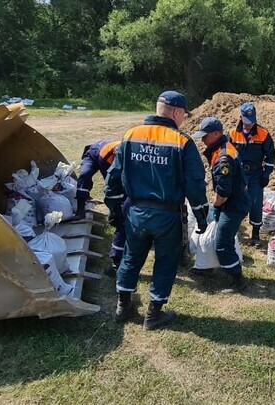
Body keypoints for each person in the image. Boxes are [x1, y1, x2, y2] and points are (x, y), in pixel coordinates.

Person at [105, 90, 209, 330]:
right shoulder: (182, 142)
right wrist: (202, 216)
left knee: (131, 257)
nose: (183, 119)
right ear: (175, 112)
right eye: (183, 114)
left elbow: (114, 177)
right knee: (166, 262)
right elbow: (194, 183)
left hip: (136, 213)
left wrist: (114, 208)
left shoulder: (131, 135)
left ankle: (122, 305)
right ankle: (153, 314)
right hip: (167, 215)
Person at [191, 117, 250, 293]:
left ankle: (237, 279)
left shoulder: (223, 158)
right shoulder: (222, 150)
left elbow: (223, 192)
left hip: (233, 206)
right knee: (220, 237)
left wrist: (216, 207)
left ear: (217, 134)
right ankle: (208, 266)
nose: (202, 140)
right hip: (234, 202)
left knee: (222, 242)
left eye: (205, 136)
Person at [228, 102, 275, 248]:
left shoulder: (263, 134)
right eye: (247, 121)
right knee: (235, 201)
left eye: (252, 121)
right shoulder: (232, 134)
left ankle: (255, 233)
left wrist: (266, 174)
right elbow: (227, 154)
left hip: (255, 174)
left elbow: (271, 156)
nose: (249, 125)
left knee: (255, 203)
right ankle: (233, 229)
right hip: (238, 173)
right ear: (240, 117)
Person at [75, 139, 123, 277]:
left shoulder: (126, 152)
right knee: (85, 175)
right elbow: (111, 184)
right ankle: (80, 209)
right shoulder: (107, 155)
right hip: (94, 154)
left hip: (107, 152)